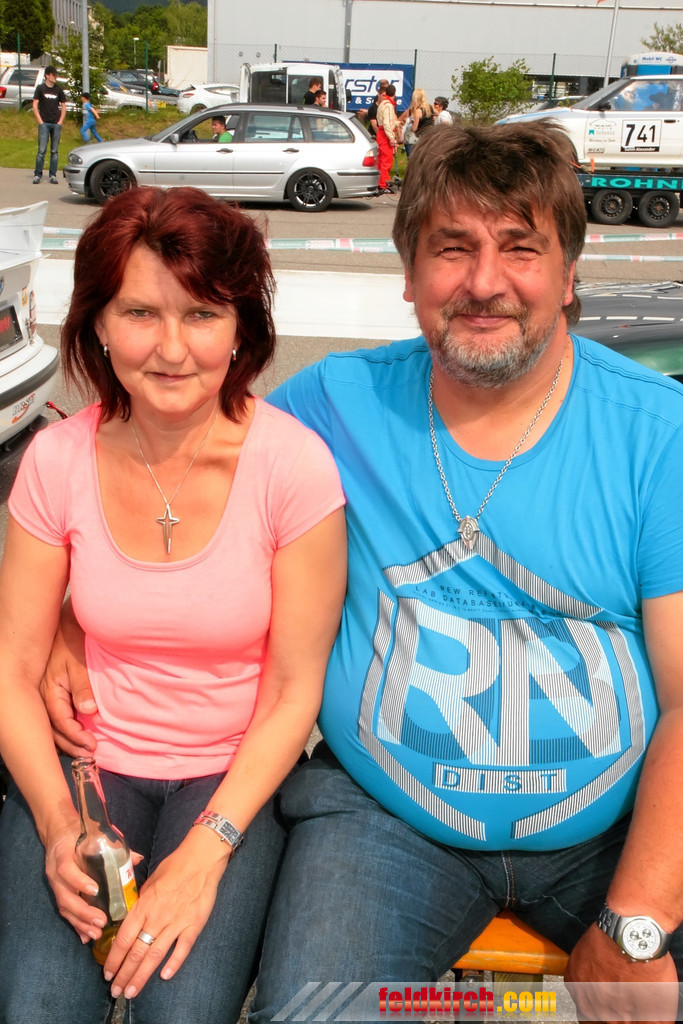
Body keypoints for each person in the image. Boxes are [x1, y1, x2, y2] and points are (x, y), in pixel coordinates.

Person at [41, 122, 683, 1024]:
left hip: (612, 833)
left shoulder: (657, 434)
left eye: (520, 249)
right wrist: (75, 622)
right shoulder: (332, 404)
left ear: (569, 274)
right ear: (408, 274)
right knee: (315, 1012)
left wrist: (636, 922)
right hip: (384, 826)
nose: (484, 282)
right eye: (450, 249)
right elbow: (187, 479)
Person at [0, 187, 346, 1024]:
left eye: (201, 314)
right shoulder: (56, 459)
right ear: (97, 324)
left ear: (241, 329)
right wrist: (57, 825)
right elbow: (11, 667)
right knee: (42, 1002)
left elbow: (293, 692)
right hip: (87, 766)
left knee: (179, 1007)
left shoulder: (292, 468)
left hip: (230, 776)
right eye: (139, 313)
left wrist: (207, 851)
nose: (170, 348)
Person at [32, 65, 66, 184]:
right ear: (47, 75)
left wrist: (60, 121)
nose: (55, 77)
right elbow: (35, 105)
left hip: (56, 124)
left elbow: (63, 106)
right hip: (44, 124)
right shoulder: (40, 88)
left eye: (56, 75)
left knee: (54, 151)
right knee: (41, 151)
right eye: (53, 75)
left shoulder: (58, 89)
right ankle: (37, 174)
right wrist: (40, 121)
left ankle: (52, 175)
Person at [376, 84, 400, 194]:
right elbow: (387, 123)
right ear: (394, 94)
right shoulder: (389, 106)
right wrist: (391, 138)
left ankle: (379, 182)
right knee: (386, 161)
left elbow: (383, 121)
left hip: (380, 133)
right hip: (385, 135)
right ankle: (383, 185)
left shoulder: (382, 104)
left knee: (380, 160)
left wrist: (397, 122)